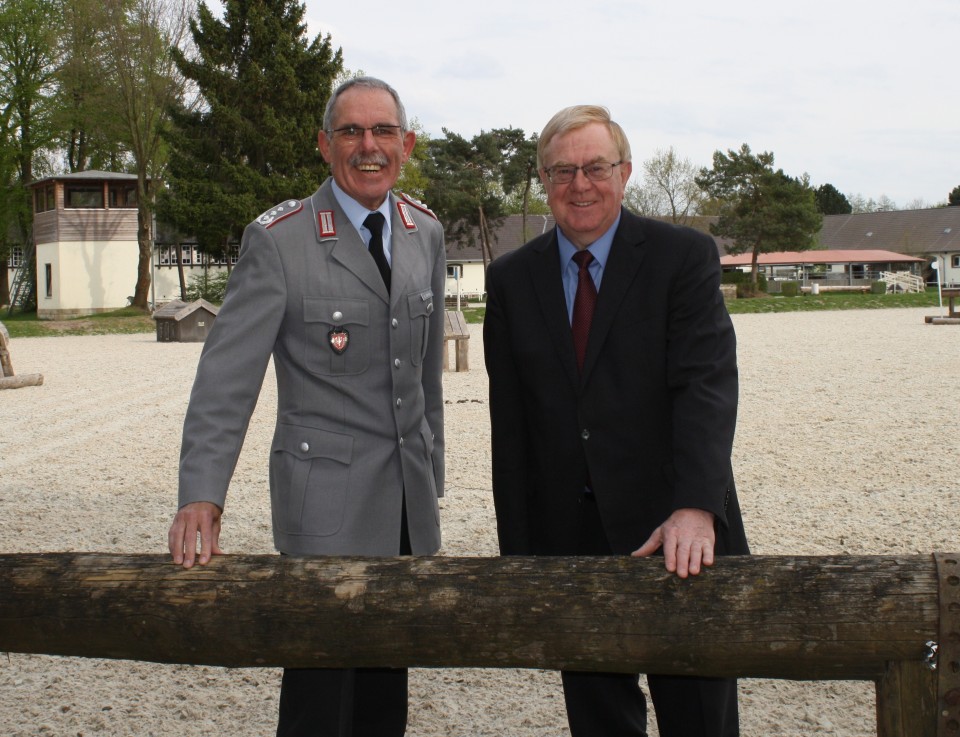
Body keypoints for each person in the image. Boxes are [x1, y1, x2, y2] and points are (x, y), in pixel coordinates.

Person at [167, 76, 446, 737]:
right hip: (326, 505)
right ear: (325, 144)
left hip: (406, 504)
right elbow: (225, 377)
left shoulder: (424, 232)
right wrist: (202, 492)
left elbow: (425, 374)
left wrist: (431, 475)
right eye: (351, 131)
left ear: (404, 145)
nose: (368, 146)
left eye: (382, 132)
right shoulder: (281, 240)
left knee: (385, 694)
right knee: (320, 699)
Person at [483, 105, 748, 737]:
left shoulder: (681, 257)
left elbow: (705, 387)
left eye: (595, 167)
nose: (580, 185)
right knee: (598, 722)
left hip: (678, 537)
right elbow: (511, 426)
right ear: (543, 182)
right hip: (571, 543)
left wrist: (695, 506)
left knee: (701, 718)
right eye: (562, 171)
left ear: (624, 172)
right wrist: (521, 557)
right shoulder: (512, 280)